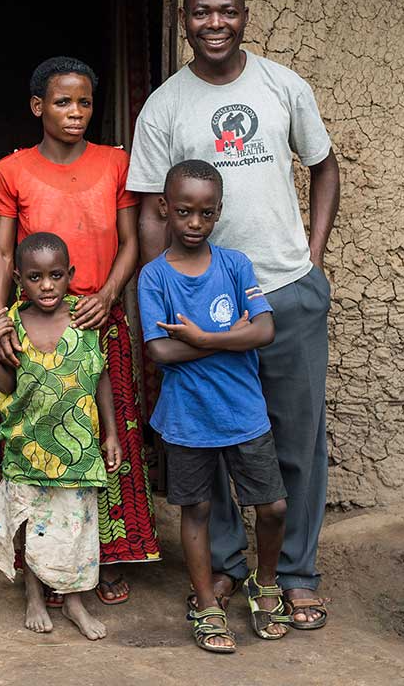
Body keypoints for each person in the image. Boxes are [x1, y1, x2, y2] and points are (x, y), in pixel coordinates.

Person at [128, 0, 340, 629]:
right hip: (198, 310)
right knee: (208, 439)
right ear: (183, 20)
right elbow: (148, 209)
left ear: (245, 15)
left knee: (296, 442)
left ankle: (297, 574)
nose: (213, 23)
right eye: (200, 13)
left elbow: (325, 165)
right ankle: (224, 563)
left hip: (283, 293)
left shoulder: (283, 86)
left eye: (226, 11)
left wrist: (313, 256)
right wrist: (159, 296)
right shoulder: (165, 105)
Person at [0, 57, 160, 609]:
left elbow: (131, 242)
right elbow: (0, 251)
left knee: (109, 442)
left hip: (98, 319)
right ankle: (45, 562)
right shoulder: (11, 170)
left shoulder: (115, 163)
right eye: (63, 102)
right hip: (37, 324)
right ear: (39, 106)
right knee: (42, 441)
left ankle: (103, 560)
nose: (76, 113)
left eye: (84, 102)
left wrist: (108, 295)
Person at [139, 160, 290, 652]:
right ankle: (206, 604)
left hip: (244, 411)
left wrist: (202, 337)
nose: (194, 223)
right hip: (187, 418)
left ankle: (265, 586)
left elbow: (265, 330)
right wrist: (232, 338)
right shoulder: (154, 278)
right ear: (165, 208)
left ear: (219, 212)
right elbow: (160, 351)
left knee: (272, 505)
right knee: (197, 508)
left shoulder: (235, 265)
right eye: (183, 212)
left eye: (206, 213)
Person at [0, 232, 120, 640]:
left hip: (78, 450)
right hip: (28, 446)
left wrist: (110, 432)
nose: (47, 285)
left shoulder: (84, 317)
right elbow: (6, 387)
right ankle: (34, 595)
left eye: (56, 275)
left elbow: (101, 376)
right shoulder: (12, 326)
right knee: (31, 523)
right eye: (36, 277)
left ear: (70, 275)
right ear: (18, 277)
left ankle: (74, 600)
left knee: (76, 525)